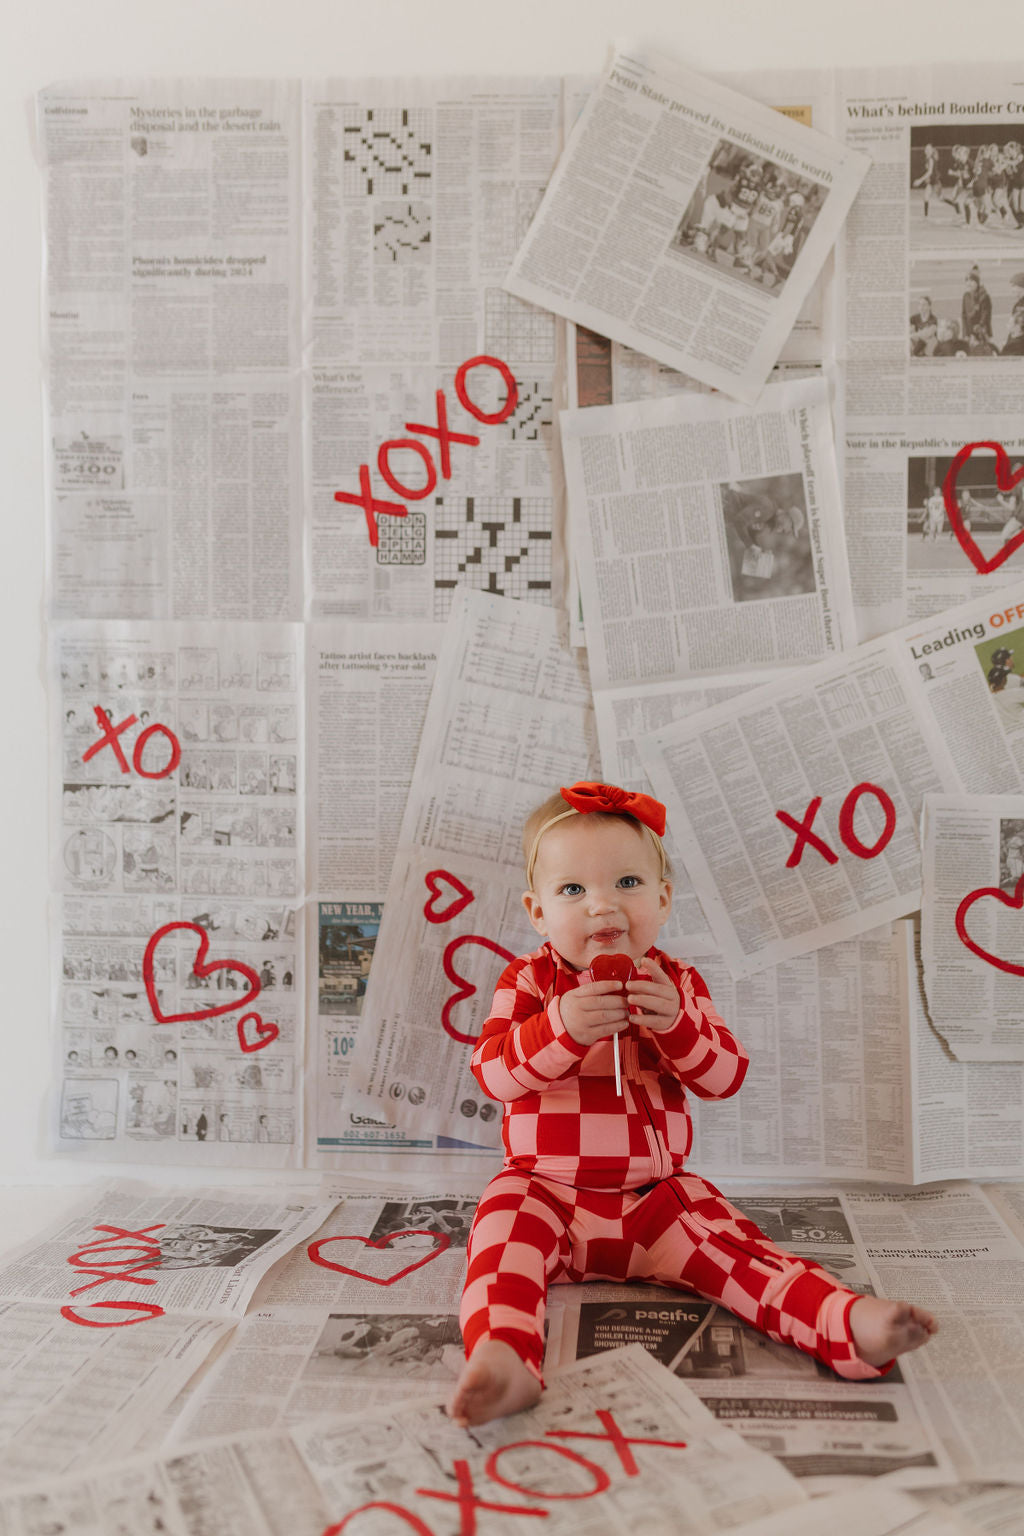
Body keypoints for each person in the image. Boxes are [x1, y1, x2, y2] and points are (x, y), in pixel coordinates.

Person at [446, 782, 938, 1429]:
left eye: (626, 882)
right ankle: (504, 1356)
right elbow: (494, 1073)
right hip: (546, 1191)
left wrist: (677, 1025)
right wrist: (560, 1028)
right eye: (573, 891)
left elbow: (726, 1075)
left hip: (657, 1199)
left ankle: (846, 1322)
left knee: (741, 1251)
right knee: (500, 1239)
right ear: (538, 913)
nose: (602, 906)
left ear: (662, 898)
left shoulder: (675, 983)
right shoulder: (529, 982)